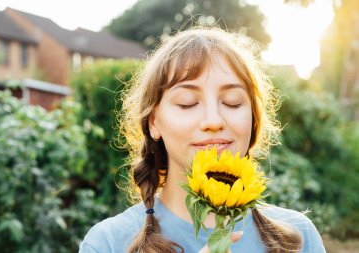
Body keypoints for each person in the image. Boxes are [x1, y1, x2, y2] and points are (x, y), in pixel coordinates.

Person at [79, 27, 326, 253]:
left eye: (232, 102)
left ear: (252, 119)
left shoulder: (299, 238)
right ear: (154, 122)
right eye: (188, 103)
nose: (213, 120)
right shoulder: (106, 244)